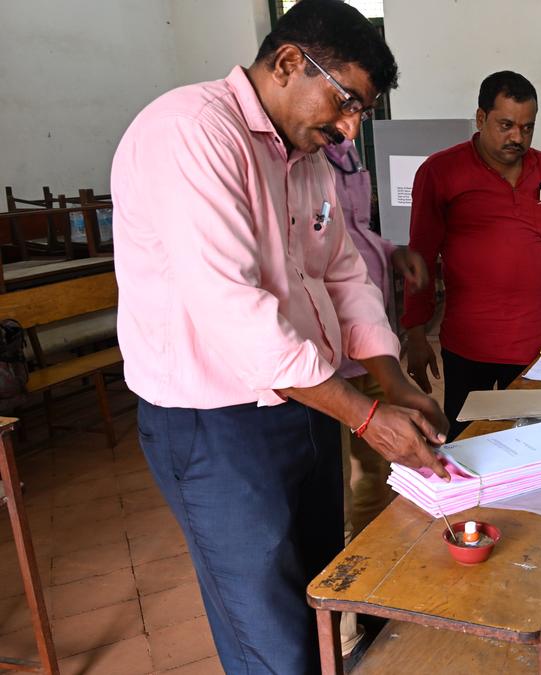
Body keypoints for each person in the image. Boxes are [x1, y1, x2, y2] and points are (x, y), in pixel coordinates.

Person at [112, 2, 449, 672]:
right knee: (271, 634)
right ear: (290, 62)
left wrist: (392, 379)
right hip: (218, 425)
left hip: (307, 402)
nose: (350, 127)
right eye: (346, 101)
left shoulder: (306, 158)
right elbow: (235, 314)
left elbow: (343, 272)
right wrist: (369, 418)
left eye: (362, 111)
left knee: (321, 594)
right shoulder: (193, 134)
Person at [401, 71, 541, 439]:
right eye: (506, 125)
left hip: (533, 343)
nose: (518, 137)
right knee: (468, 444)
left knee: (532, 439)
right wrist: (416, 333)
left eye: (527, 127)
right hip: (469, 346)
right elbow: (419, 257)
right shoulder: (440, 172)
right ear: (481, 118)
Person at [322, 138, 423, 656]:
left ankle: (371, 590)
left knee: (378, 481)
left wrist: (393, 252)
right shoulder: (295, 157)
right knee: (332, 497)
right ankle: (342, 634)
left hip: (371, 357)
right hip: (320, 372)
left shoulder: (345, 153)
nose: (352, 122)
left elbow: (354, 239)